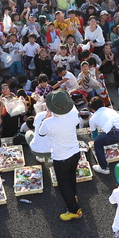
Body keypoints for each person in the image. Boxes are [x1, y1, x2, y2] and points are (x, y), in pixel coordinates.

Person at [37, 90, 85, 220]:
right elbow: (71, 107)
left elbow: (41, 133)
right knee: (71, 176)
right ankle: (73, 195)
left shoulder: (48, 122)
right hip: (75, 151)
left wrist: (47, 115)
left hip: (61, 156)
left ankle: (73, 210)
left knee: (63, 183)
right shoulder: (74, 115)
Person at [89, 96, 119, 175]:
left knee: (97, 143)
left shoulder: (93, 118)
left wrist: (96, 142)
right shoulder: (111, 110)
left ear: (92, 109)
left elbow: (94, 135)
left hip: (115, 133)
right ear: (103, 104)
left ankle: (103, 167)